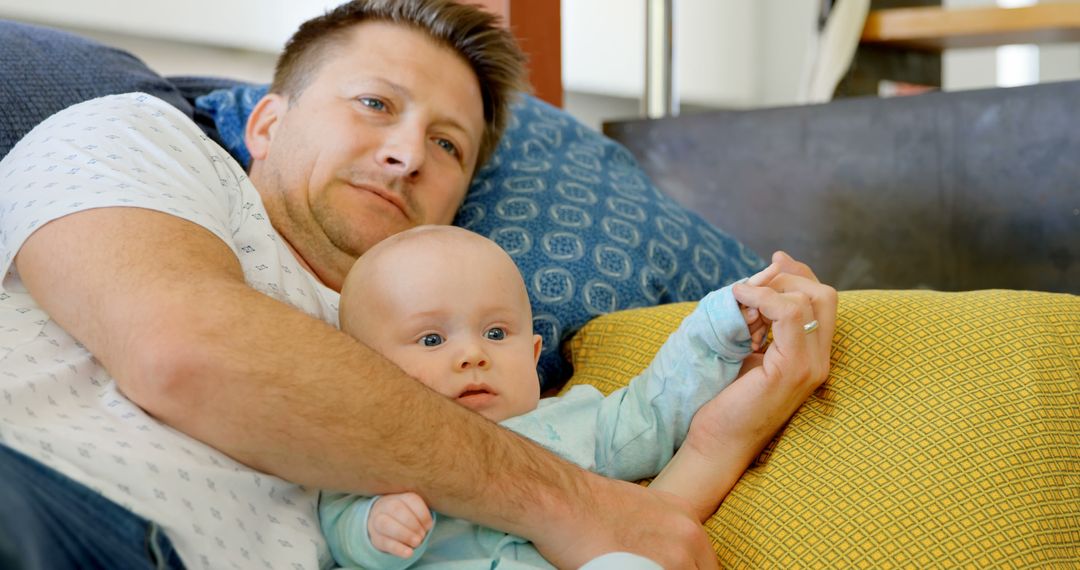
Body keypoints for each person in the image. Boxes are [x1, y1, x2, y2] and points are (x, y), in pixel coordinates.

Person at [0, 0, 838, 569]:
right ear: (267, 121)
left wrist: (729, 419)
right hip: (44, 499)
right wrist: (572, 505)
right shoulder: (144, 142)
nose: (406, 153)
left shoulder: (442, 346)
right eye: (374, 104)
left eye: (448, 146)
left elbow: (628, 471)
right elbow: (185, 352)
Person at [320, 225, 769, 568]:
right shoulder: (375, 450)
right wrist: (373, 527)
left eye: (496, 333)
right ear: (367, 370)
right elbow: (338, 517)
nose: (472, 354)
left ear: (534, 356)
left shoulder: (574, 419)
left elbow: (652, 409)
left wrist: (715, 330)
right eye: (432, 340)